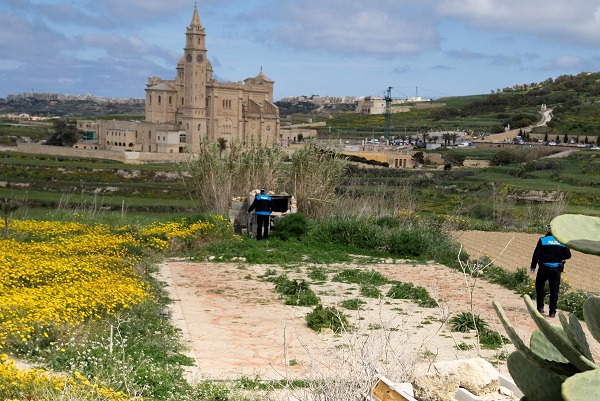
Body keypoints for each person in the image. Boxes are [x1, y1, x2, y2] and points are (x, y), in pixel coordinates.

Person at [530, 224, 571, 318]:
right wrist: (559, 257)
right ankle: (552, 312)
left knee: (539, 286)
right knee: (554, 290)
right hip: (556, 269)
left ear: (548, 230)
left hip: (543, 268)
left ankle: (540, 307)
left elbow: (536, 255)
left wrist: (533, 267)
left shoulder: (542, 240)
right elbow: (568, 255)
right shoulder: (562, 241)